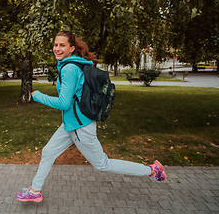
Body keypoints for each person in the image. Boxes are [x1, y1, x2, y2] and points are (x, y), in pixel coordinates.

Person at [16, 31, 166, 203]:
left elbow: (64, 103)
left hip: (80, 127)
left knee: (103, 164)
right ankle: (35, 191)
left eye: (62, 45)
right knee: (48, 152)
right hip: (70, 124)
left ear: (71, 48)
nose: (57, 48)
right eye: (56, 44)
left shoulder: (69, 69)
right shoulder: (71, 65)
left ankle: (153, 170)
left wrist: (38, 96)